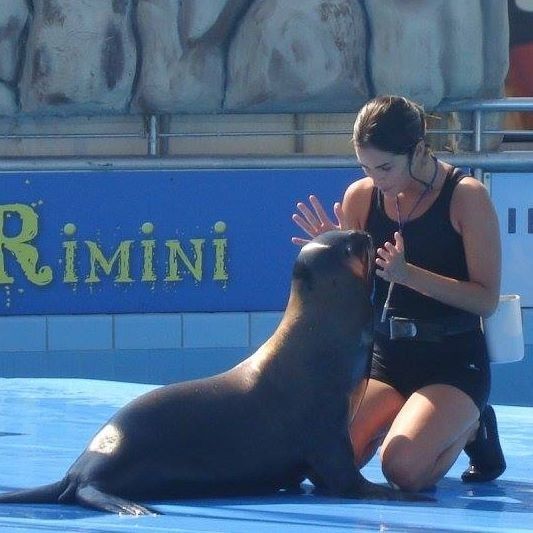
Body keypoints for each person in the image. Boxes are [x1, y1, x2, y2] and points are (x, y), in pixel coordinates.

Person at [292, 95, 506, 492]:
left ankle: (473, 427)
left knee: (403, 470)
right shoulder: (362, 197)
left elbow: (485, 300)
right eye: (366, 167)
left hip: (453, 362)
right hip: (388, 359)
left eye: (385, 167)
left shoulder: (466, 197)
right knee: (326, 463)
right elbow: (355, 297)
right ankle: (415, 415)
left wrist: (409, 276)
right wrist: (333, 258)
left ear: (419, 150)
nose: (376, 179)